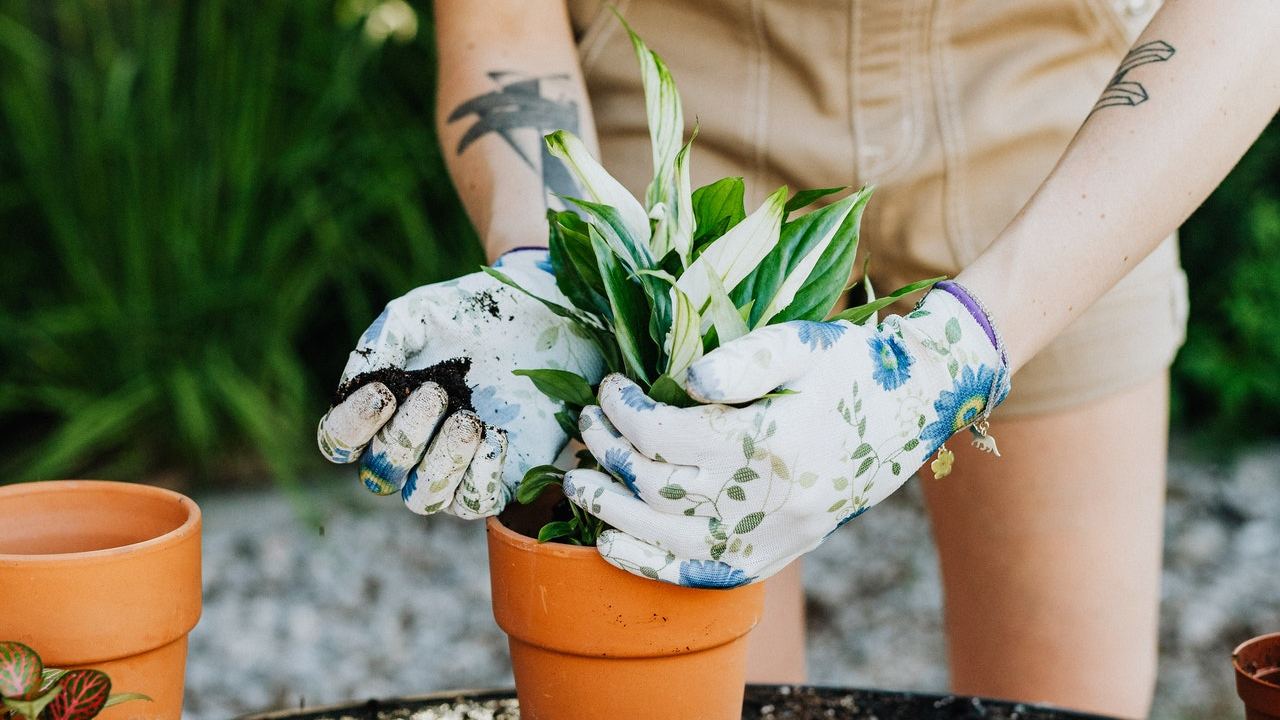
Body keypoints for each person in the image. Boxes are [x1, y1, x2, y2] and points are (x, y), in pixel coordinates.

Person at [316, 1, 1280, 716]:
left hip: (1057, 114)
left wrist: (961, 348)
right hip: (683, 108)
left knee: (1070, 700)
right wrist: (543, 267)